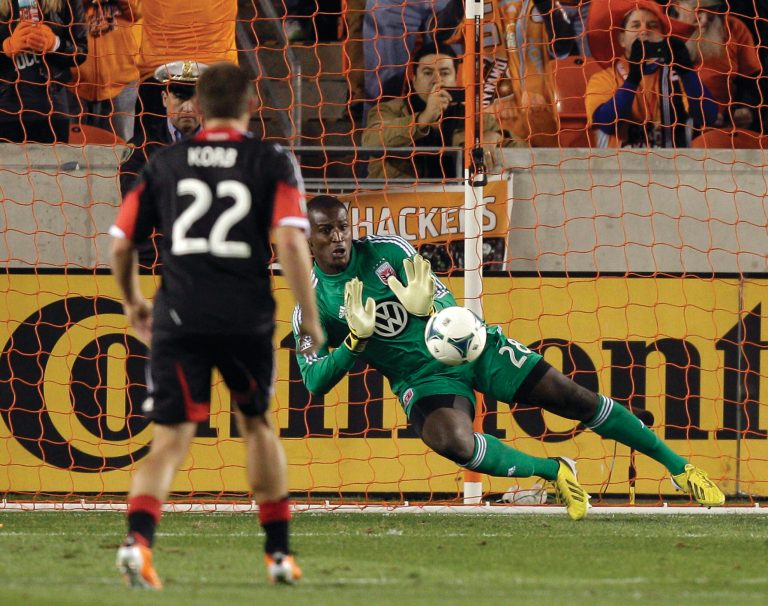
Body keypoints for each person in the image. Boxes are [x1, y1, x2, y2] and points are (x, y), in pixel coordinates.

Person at [291, 195, 726, 520]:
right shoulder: (311, 303)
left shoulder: (388, 251)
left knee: (574, 399)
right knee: (451, 441)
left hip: (473, 347)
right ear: (308, 240)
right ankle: (554, 471)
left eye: (343, 226)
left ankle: (680, 469)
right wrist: (355, 341)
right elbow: (314, 382)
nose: (339, 237)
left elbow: (445, 307)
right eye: (327, 231)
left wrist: (431, 308)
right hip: (422, 379)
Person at [109, 62, 323, 589]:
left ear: (199, 107)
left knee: (170, 438)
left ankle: (138, 543)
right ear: (251, 103)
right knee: (257, 427)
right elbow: (292, 242)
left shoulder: (165, 162)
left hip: (178, 315)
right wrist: (312, 316)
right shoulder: (270, 159)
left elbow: (120, 243)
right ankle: (277, 556)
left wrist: (134, 301)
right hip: (245, 318)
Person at [362, 43, 510, 180]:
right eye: (427, 73)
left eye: (445, 73)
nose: (437, 80)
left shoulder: (475, 117)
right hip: (399, 200)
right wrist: (423, 119)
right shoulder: (388, 109)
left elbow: (523, 149)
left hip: (457, 200)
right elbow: (370, 141)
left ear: (455, 80)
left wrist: (495, 136)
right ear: (414, 80)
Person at [585, 1, 717, 148]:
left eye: (653, 25)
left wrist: (687, 71)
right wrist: (633, 79)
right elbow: (605, 123)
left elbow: (708, 116)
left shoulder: (677, 76)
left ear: (663, 36)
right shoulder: (604, 78)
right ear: (621, 39)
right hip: (622, 167)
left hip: (673, 166)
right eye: (636, 25)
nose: (644, 31)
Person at [0, 0, 87, 143]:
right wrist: (6, 48)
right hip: (5, 109)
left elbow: (81, 51)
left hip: (53, 107)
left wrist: (55, 44)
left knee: (52, 164)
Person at [669, 0, 762, 133]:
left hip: (726, 127)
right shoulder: (661, 30)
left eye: (712, 10)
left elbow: (751, 80)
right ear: (676, 6)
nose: (705, 20)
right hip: (675, 127)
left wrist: (743, 109)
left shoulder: (733, 28)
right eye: (698, 11)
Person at [74, 0, 141, 143]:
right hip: (75, 84)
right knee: (73, 151)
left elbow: (138, 13)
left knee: (122, 149)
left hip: (122, 81)